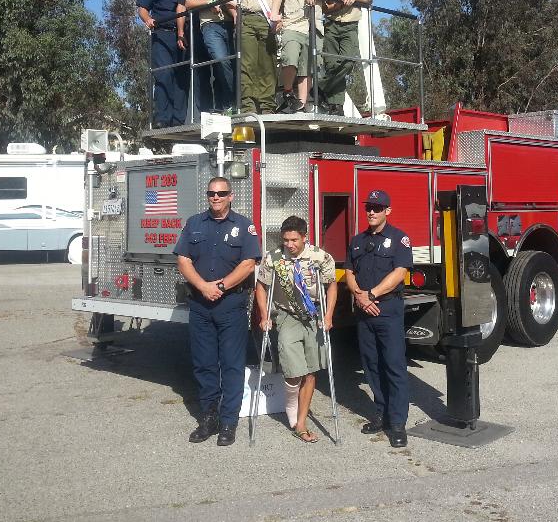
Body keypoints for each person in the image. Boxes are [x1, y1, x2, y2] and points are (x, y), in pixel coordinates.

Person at [174, 176, 261, 446]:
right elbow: (183, 260)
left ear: (230, 196)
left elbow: (248, 264)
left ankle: (228, 422)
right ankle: (209, 418)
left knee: (232, 366)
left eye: (221, 193)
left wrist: (220, 286)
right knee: (204, 364)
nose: (216, 197)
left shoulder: (244, 226)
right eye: (212, 193)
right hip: (201, 305)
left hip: (231, 306)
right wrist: (203, 287)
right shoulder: (194, 224)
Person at [254, 215, 337, 443]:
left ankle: (301, 423)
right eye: (285, 240)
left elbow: (331, 286)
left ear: (304, 237)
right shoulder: (273, 258)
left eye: (294, 240)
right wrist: (264, 316)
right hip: (287, 315)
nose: (289, 245)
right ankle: (291, 405)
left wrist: (328, 315)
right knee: (293, 371)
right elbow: (261, 287)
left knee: (310, 371)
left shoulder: (320, 257)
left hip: (313, 315)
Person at [344, 189, 412, 448]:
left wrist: (371, 294)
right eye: (369, 207)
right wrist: (360, 297)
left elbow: (400, 273)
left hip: (388, 310)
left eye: (377, 208)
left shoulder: (398, 239)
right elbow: (349, 272)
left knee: (394, 366)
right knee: (371, 365)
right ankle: (381, 414)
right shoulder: (357, 241)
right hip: (364, 312)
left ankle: (397, 423)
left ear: (387, 211)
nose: (371, 212)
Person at [270, 0, 332, 114]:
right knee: (289, 57)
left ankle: (301, 104)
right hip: (293, 24)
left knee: (308, 67)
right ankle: (288, 92)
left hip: (314, 27)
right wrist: (274, 14)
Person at [225, 0, 278, 114]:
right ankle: (248, 104)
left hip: (267, 23)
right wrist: (235, 14)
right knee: (247, 64)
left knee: (268, 65)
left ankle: (267, 105)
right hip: (246, 20)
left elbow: (284, 3)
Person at [185, 0, 237, 112]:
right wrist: (208, 2)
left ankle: (228, 104)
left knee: (235, 64)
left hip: (233, 24)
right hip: (211, 25)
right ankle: (230, 103)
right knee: (221, 60)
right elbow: (188, 3)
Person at [320, 0, 372, 115]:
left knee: (347, 62)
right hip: (331, 25)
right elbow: (323, 8)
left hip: (350, 26)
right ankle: (336, 106)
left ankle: (320, 88)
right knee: (332, 65)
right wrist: (337, 5)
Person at [137, 0, 187, 127]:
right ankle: (162, 118)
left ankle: (178, 120)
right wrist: (147, 19)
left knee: (181, 77)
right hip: (162, 36)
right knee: (164, 74)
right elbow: (142, 8)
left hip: (183, 35)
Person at [179, 0, 214, 116]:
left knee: (222, 66)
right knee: (201, 73)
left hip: (218, 27)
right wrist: (180, 32)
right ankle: (203, 113)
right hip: (196, 31)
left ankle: (224, 107)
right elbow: (182, 5)